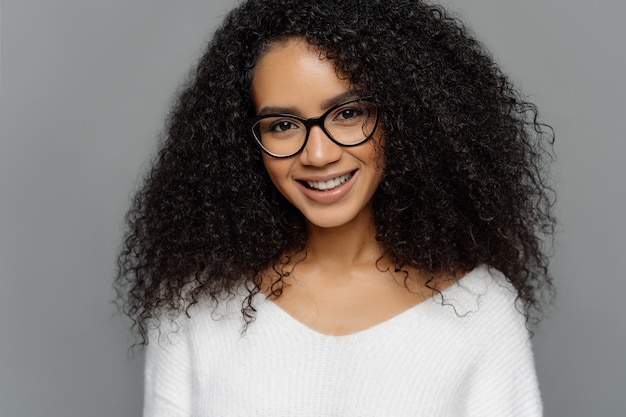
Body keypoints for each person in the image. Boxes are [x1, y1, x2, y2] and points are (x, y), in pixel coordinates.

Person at [115, 0, 556, 415]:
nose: (319, 155)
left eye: (348, 114)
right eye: (283, 125)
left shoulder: (481, 310)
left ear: (406, 117)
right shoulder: (192, 309)